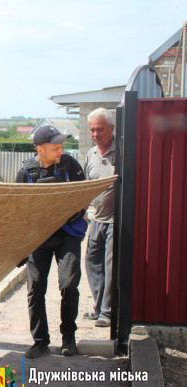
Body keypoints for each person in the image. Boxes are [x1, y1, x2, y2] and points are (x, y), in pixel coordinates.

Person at [15, 125, 87, 359]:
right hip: (38, 238)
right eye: (56, 147)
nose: (61, 151)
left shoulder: (70, 165)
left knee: (68, 284)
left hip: (68, 235)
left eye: (62, 146)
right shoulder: (25, 172)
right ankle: (39, 341)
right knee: (35, 288)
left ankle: (68, 337)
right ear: (40, 149)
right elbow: (15, 210)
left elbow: (83, 196)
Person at [83, 108, 116, 328]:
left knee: (110, 267)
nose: (96, 134)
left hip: (116, 222)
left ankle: (107, 312)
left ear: (112, 128)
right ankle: (98, 307)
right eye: (92, 130)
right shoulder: (90, 155)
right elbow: (86, 188)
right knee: (92, 263)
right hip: (97, 220)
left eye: (100, 129)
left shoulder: (121, 152)